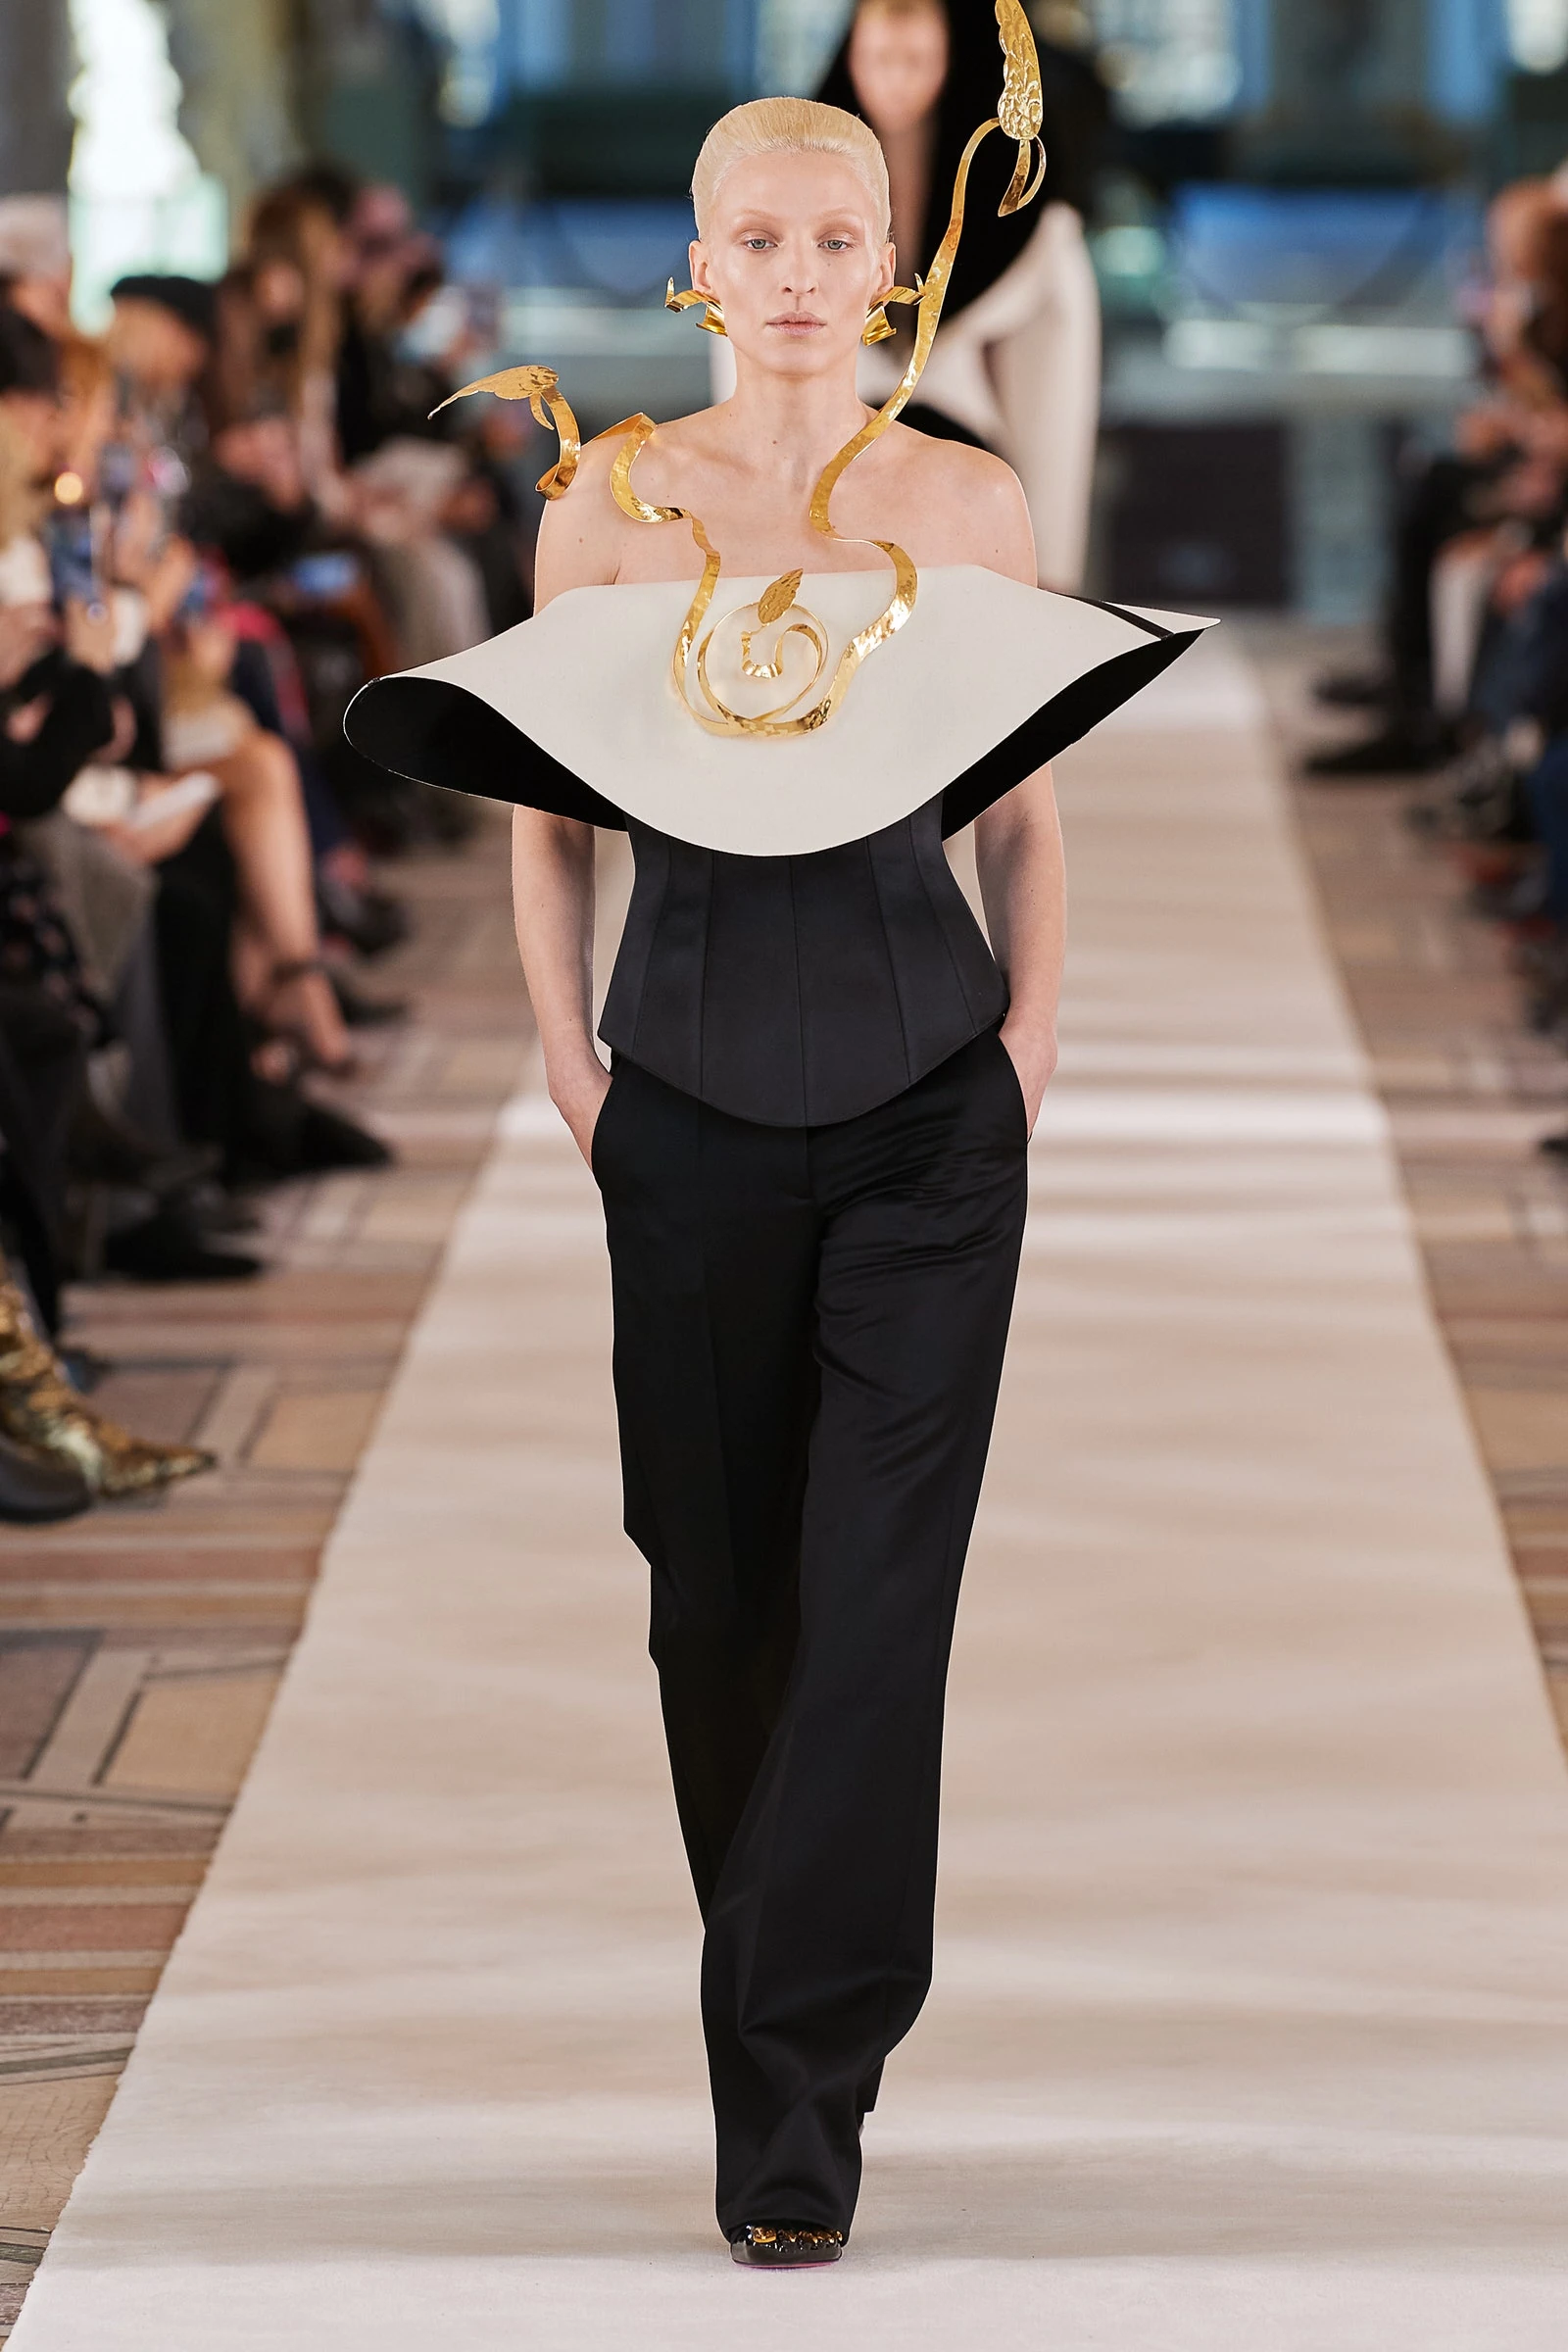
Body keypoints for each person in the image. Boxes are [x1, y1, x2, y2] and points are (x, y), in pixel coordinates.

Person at [346, 36, 1209, 2265]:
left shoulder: (969, 505)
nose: (804, 272)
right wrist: (568, 1061)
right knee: (713, 1601)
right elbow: (542, 815)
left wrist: (1027, 1045)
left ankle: (795, 2094)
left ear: (889, 262)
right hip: (688, 1099)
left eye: (839, 238)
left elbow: (1023, 814)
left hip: (932, 1108)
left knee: (877, 1603)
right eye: (763, 239)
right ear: (700, 268)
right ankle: (782, 2020)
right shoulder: (607, 505)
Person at [813, 0, 1108, 590]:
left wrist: (1051, 572)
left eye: (915, 61)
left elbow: (1052, 370)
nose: (895, 82)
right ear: (852, 57)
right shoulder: (807, 169)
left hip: (972, 424)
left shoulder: (1019, 194)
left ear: (948, 58)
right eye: (879, 60)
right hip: (837, 434)